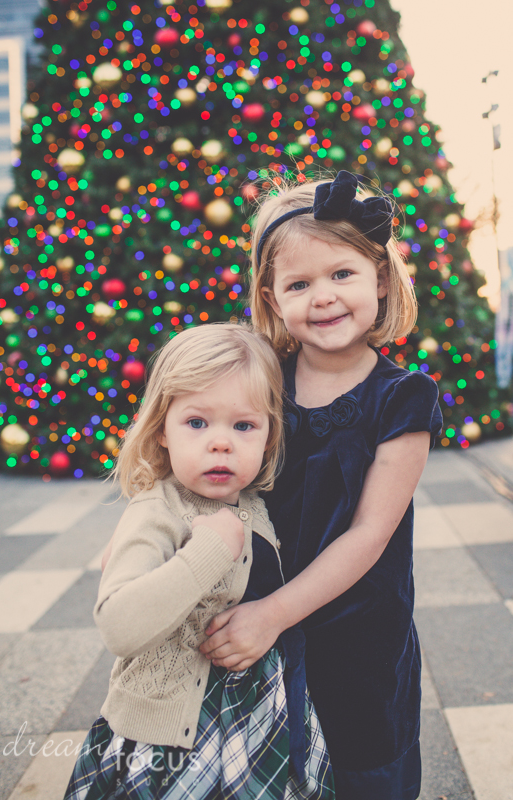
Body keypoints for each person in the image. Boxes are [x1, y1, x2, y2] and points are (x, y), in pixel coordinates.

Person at [200, 171, 443, 800]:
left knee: (360, 768)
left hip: (358, 636)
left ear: (381, 279)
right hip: (252, 624)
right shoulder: (263, 384)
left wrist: (272, 616)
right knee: (265, 769)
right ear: (273, 299)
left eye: (342, 274)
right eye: (300, 284)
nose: (324, 297)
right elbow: (210, 466)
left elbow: (367, 535)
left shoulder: (402, 399)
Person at [63, 323, 334, 800]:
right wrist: (207, 552)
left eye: (243, 425)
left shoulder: (253, 503)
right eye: (197, 422)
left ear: (269, 436)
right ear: (161, 430)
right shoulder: (156, 510)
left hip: (252, 725)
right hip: (172, 742)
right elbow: (119, 627)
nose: (221, 442)